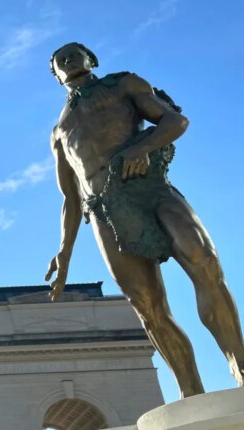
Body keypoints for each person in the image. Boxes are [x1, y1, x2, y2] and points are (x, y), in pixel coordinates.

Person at [44, 42, 244, 398]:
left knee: (205, 263)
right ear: (56, 75)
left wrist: (142, 147)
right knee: (148, 306)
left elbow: (175, 119)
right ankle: (191, 393)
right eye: (61, 60)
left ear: (92, 60)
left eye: (75, 53)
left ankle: (240, 365)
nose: (69, 60)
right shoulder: (59, 132)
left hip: (150, 189)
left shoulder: (124, 84)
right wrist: (64, 253)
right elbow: (70, 199)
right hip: (104, 209)